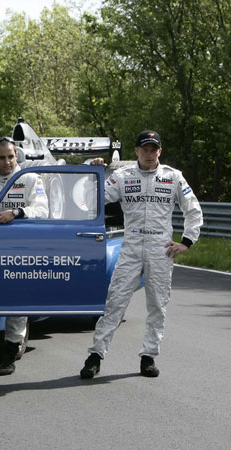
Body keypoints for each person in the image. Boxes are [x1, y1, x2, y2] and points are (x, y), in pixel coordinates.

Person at [80, 130, 203, 379]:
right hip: (132, 245)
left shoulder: (173, 176)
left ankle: (148, 357)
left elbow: (193, 210)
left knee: (157, 305)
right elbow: (91, 200)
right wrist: (90, 171)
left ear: (160, 151)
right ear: (136, 151)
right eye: (144, 149)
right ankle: (96, 356)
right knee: (115, 302)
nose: (149, 154)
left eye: (153, 149)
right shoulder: (123, 176)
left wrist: (187, 241)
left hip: (161, 248)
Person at [0, 136, 49, 375]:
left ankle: (9, 353)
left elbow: (43, 210)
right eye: (2, 157)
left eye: (11, 156)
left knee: (17, 300)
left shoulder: (30, 179)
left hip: (22, 249)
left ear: (17, 156)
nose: (7, 162)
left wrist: (16, 212)